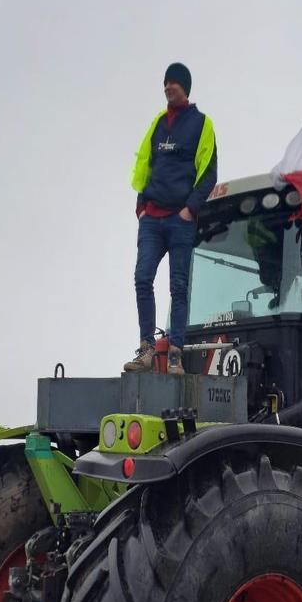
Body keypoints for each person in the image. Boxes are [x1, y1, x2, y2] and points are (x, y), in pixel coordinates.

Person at [123, 63, 217, 376]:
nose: (168, 88)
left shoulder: (202, 124)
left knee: (178, 286)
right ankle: (147, 348)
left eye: (173, 84)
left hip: (180, 220)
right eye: (165, 84)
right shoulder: (158, 124)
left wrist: (190, 209)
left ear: (185, 88)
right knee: (142, 278)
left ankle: (175, 351)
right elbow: (144, 163)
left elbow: (209, 172)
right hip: (152, 218)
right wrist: (141, 206)